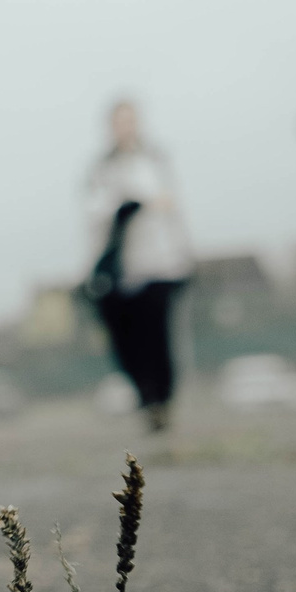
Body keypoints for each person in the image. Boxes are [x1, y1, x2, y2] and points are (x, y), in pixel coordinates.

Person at [83, 100, 194, 431]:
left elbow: (172, 209)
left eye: (130, 121)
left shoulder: (155, 160)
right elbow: (95, 215)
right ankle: (146, 397)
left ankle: (161, 402)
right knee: (128, 341)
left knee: (158, 336)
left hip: (160, 264)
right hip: (119, 270)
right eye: (119, 121)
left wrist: (184, 256)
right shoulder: (101, 168)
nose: (125, 127)